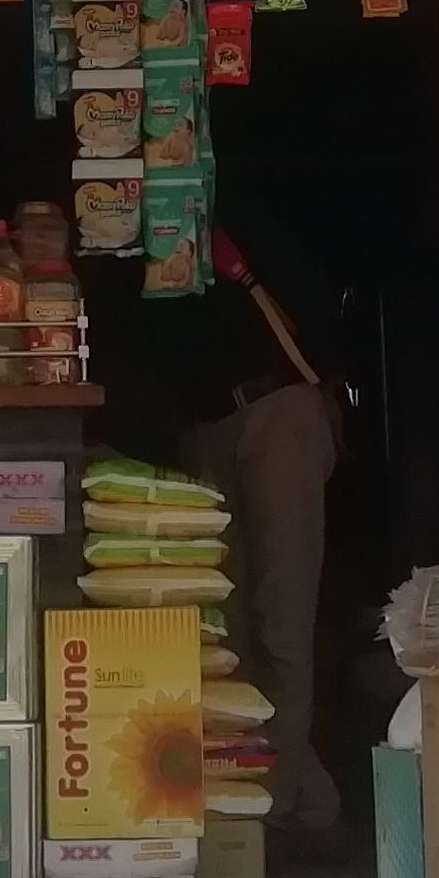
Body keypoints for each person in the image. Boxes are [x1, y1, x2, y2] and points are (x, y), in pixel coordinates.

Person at [171, 208, 347, 845]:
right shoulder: (121, 229)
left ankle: (264, 818)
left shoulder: (239, 220)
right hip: (204, 431)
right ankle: (306, 797)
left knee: (282, 615)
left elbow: (324, 325)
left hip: (280, 414)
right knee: (228, 628)